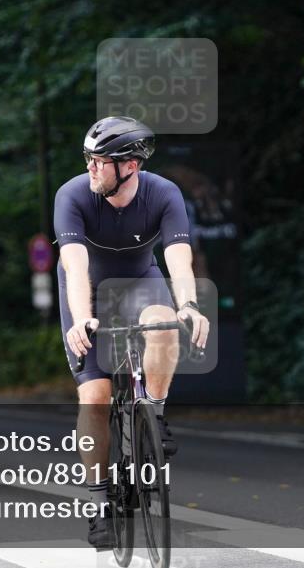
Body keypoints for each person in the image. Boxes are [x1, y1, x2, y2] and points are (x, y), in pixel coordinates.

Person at [53, 116, 210, 550]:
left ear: (130, 166)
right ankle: (99, 501)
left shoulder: (163, 194)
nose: (91, 169)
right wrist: (82, 317)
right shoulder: (72, 195)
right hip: (88, 290)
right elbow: (75, 264)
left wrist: (190, 305)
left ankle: (153, 417)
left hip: (142, 280)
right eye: (88, 159)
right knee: (95, 397)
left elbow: (179, 257)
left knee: (164, 324)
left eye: (100, 161)